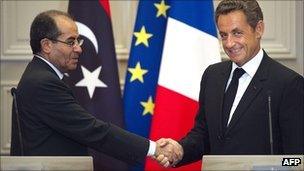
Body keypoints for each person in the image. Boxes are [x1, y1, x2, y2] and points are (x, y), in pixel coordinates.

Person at [10, 10, 175, 166]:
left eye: (78, 41)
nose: (79, 48)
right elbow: (93, 130)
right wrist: (153, 149)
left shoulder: (40, 76)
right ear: (46, 45)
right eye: (70, 41)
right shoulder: (43, 83)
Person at [156, 0, 304, 167]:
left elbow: (297, 159)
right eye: (224, 35)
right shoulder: (212, 75)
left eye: (237, 33)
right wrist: (180, 149)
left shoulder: (288, 84)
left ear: (259, 29)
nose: (229, 43)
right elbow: (204, 134)